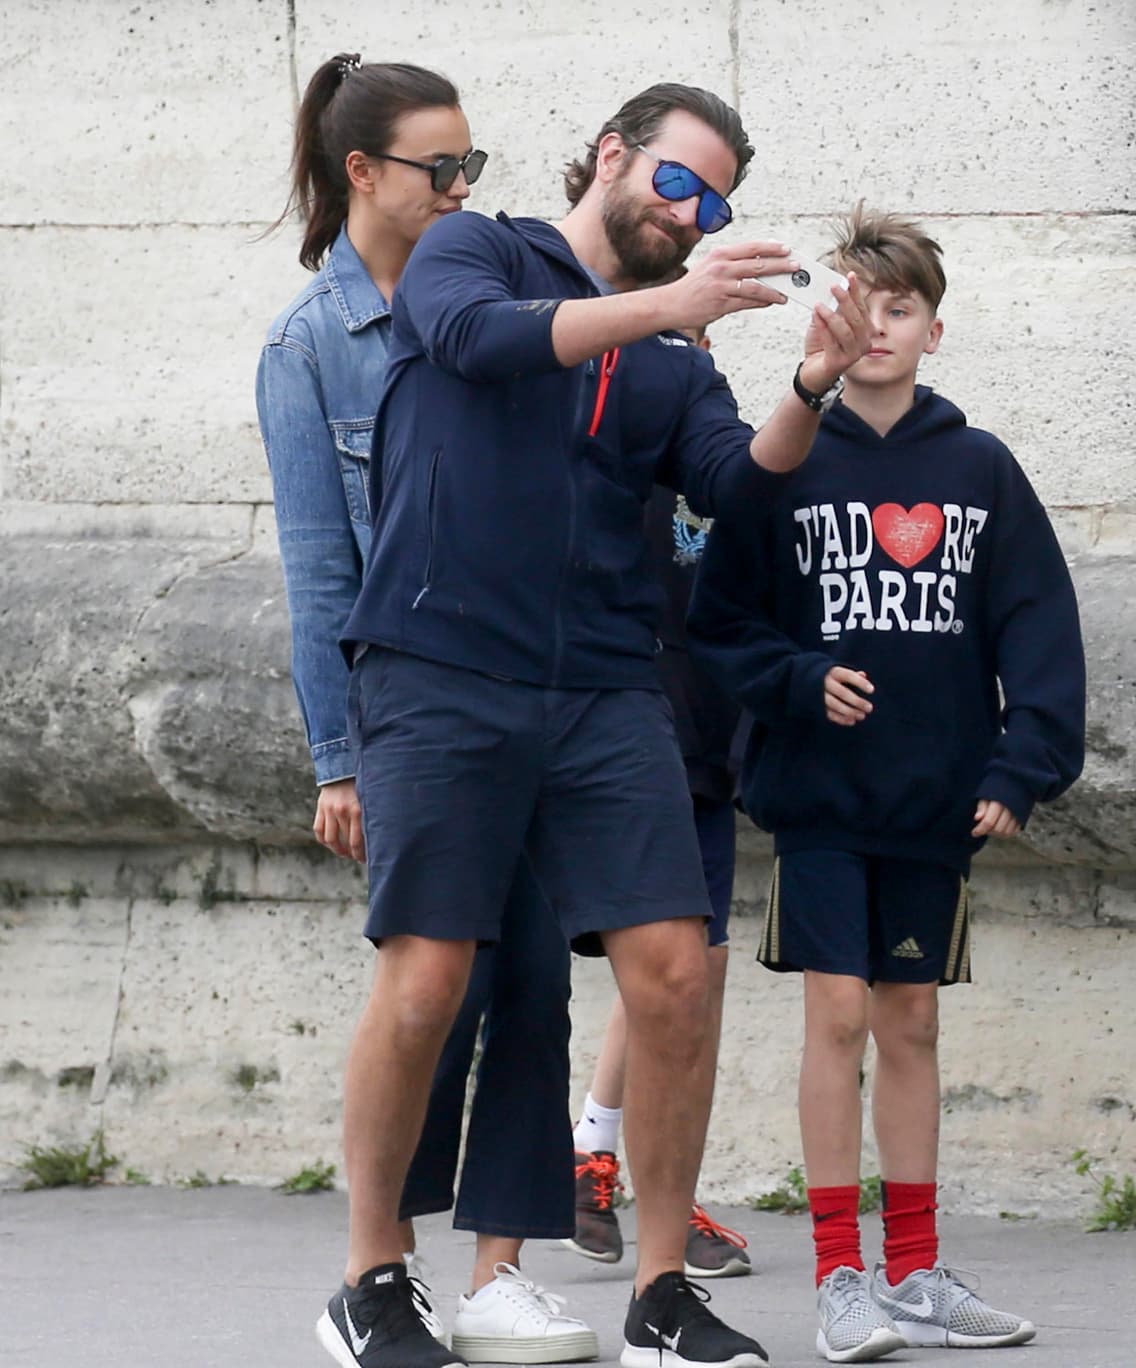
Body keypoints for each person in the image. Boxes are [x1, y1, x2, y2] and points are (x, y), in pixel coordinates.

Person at [333, 82, 874, 1368]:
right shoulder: (477, 248)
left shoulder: (674, 362)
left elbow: (737, 484)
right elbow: (479, 341)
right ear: (613, 158)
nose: (691, 217)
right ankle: (370, 1275)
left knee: (677, 974)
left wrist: (809, 379)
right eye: (677, 185)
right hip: (440, 665)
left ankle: (662, 1289)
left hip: (601, 689)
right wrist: (670, 308)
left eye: (716, 205)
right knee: (427, 980)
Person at [687, 204, 1086, 1361]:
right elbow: (724, 622)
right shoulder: (786, 460)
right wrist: (799, 684)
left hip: (933, 801)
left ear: (933, 330)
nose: (877, 328)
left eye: (898, 308)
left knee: (909, 1021)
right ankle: (838, 1275)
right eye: (857, 306)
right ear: (829, 319)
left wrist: (1023, 765)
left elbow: (1036, 625)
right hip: (817, 801)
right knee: (839, 1015)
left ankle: (912, 1269)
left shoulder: (978, 468)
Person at [255, 53, 596, 1367]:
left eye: (473, 168)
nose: (462, 190)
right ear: (363, 175)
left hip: (535, 689)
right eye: (438, 169)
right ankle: (371, 1272)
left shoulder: (496, 290)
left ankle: (501, 1272)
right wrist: (337, 760)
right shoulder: (309, 349)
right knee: (425, 988)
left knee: (533, 982)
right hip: (409, 707)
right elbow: (318, 570)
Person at [566, 323, 751, 1281]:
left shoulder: (721, 451)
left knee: (691, 970)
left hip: (709, 738)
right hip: (632, 731)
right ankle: (595, 1160)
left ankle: (607, 1155)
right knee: (671, 966)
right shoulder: (605, 444)